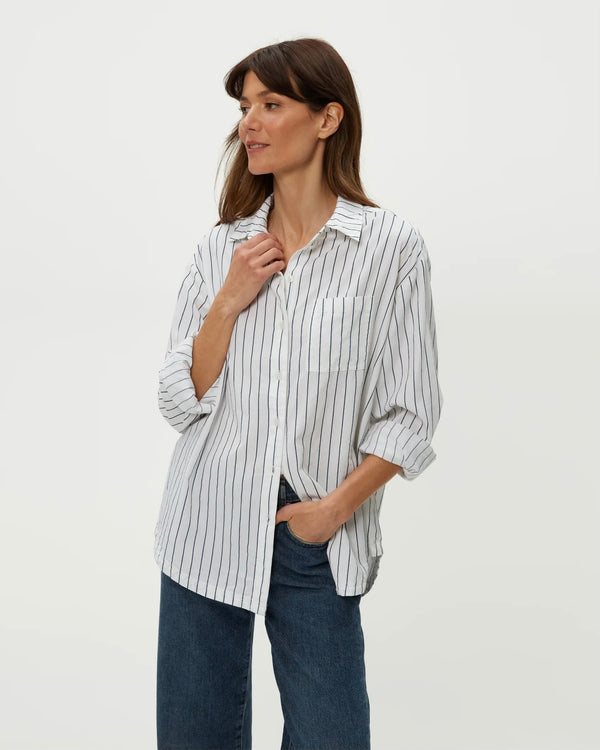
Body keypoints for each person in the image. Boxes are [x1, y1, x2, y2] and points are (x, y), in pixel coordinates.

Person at [155, 38, 442, 750]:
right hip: (209, 524)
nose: (249, 122)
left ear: (327, 118)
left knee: (332, 736)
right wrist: (228, 300)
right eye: (245, 106)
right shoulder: (220, 250)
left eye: (272, 104)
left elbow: (409, 412)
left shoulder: (390, 249)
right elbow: (176, 399)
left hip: (315, 531)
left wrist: (335, 510)